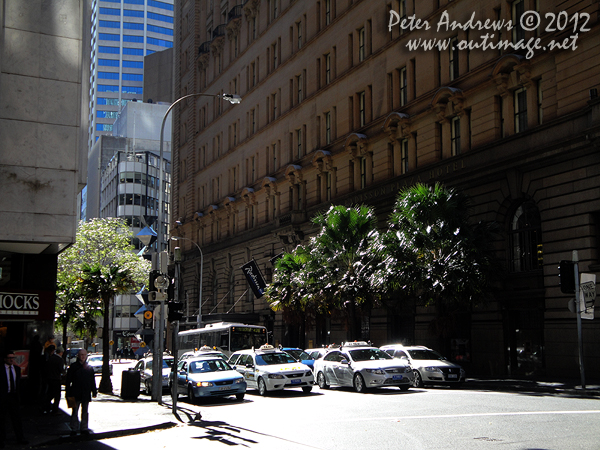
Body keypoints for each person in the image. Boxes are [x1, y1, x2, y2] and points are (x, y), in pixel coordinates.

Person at [65, 349, 97, 436]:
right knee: (75, 411)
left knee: (85, 411)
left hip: (85, 393)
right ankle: (74, 428)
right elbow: (68, 381)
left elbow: (92, 381)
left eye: (84, 355)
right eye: (81, 355)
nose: (83, 356)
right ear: (78, 356)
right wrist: (68, 393)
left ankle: (84, 428)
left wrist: (94, 391)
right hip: (75, 392)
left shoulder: (89, 368)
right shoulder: (73, 367)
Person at [0, 350, 28, 447]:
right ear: (5, 359)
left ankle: (20, 437)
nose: (12, 360)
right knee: (2, 419)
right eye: (10, 358)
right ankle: (2, 440)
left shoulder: (16, 369)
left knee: (17, 419)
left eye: (13, 358)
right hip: (4, 397)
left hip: (14, 396)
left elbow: (19, 383)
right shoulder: (2, 369)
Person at [43, 345, 65, 414]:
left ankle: (46, 407)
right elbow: (61, 370)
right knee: (57, 395)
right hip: (56, 379)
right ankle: (55, 410)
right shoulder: (60, 360)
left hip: (49, 378)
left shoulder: (51, 358)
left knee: (49, 394)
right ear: (61, 352)